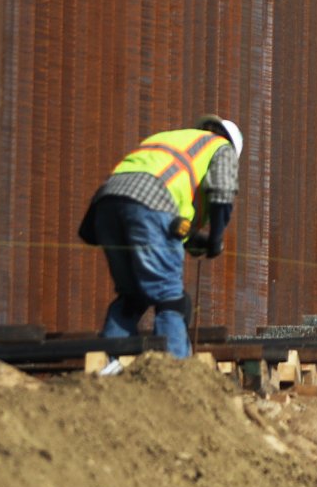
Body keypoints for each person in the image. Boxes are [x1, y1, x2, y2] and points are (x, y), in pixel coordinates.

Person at [77, 117, 243, 359]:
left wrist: (190, 237)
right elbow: (222, 192)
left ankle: (106, 368)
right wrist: (216, 238)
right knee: (170, 298)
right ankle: (174, 371)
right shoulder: (221, 147)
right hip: (150, 203)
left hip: (106, 204)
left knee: (132, 296)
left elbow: (158, 194)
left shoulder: (169, 139)